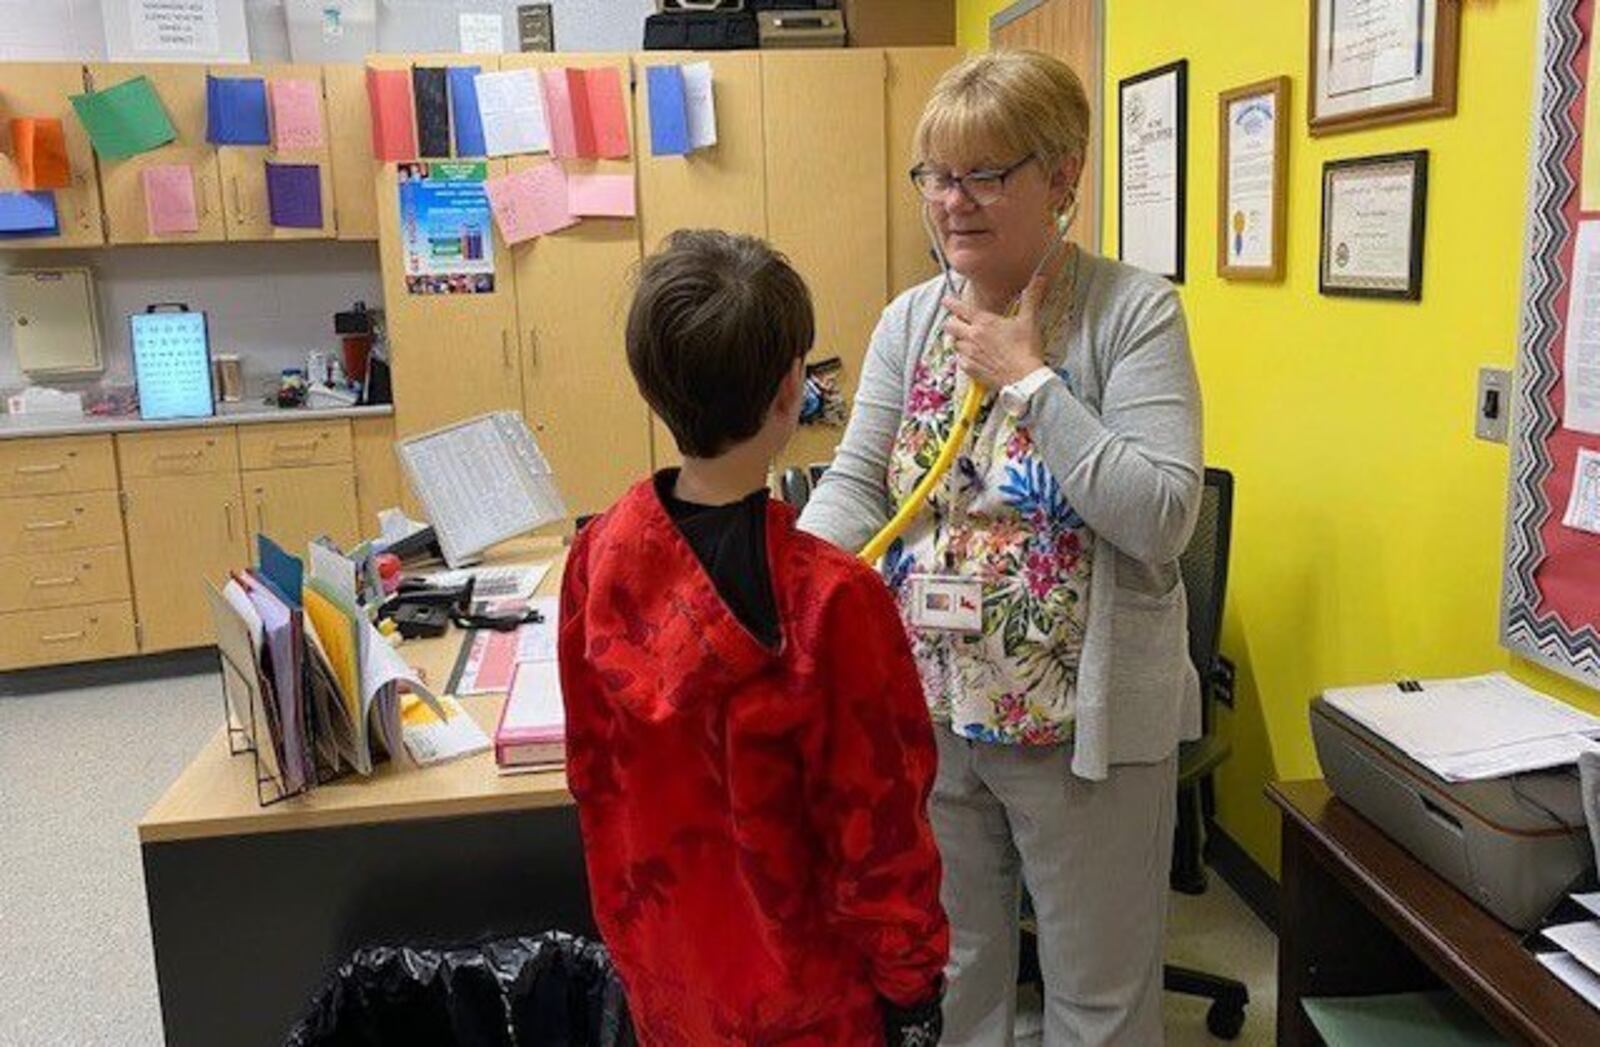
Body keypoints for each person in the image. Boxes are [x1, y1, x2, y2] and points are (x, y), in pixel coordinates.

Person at [799, 50, 1205, 1046]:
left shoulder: (1131, 313)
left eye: (986, 173)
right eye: (936, 174)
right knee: (954, 972)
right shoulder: (907, 320)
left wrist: (1030, 383)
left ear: (1062, 176)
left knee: (1095, 997)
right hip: (929, 710)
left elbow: (1160, 515)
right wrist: (781, 591)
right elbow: (857, 485)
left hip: (1080, 730)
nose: (953, 202)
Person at [558, 229, 949, 1046]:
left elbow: (593, 772)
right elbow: (880, 836)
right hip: (807, 1004)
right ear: (787, 395)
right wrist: (913, 989)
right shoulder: (834, 604)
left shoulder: (596, 556)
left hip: (666, 979)